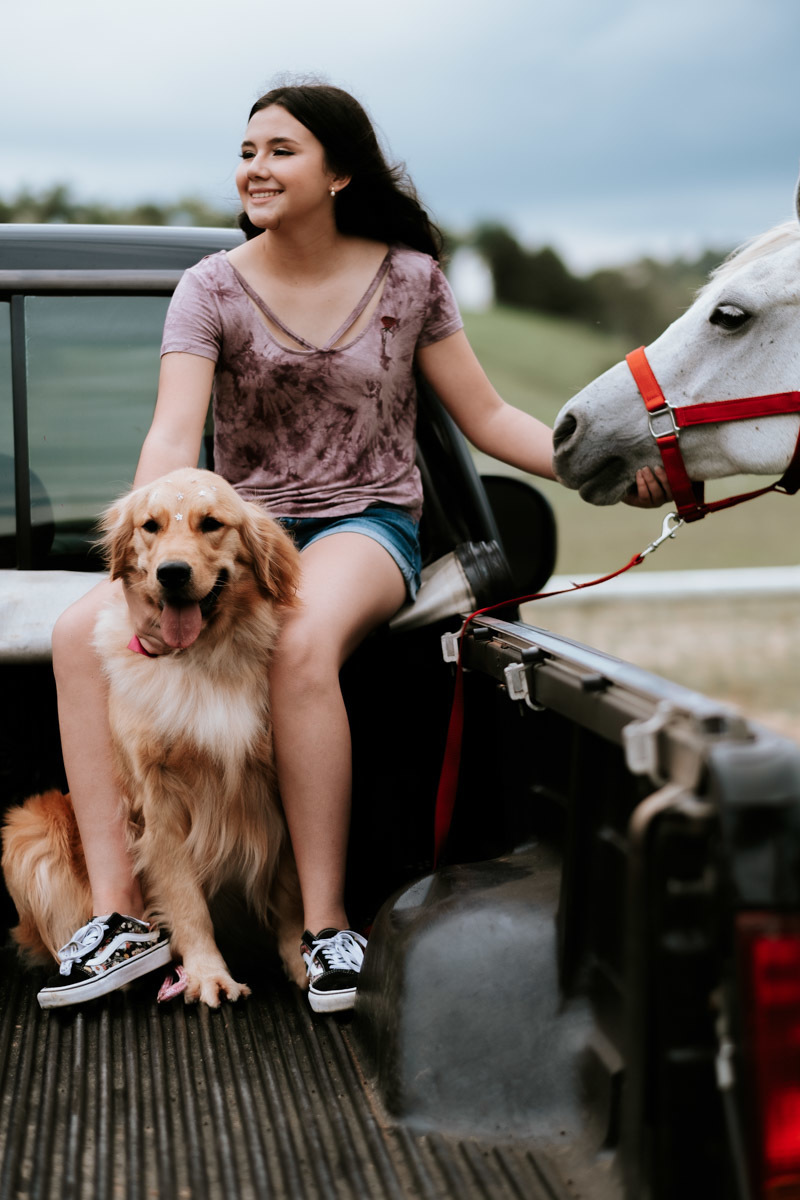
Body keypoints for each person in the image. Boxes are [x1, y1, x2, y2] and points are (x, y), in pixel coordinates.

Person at [43, 82, 669, 1012]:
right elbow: (173, 442)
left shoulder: (410, 279)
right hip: (237, 527)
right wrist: (147, 554)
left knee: (300, 645)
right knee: (70, 636)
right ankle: (122, 917)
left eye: (280, 151)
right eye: (247, 150)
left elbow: (489, 417)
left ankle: (329, 928)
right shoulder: (210, 286)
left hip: (364, 522)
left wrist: (602, 471)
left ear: (338, 172)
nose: (254, 168)